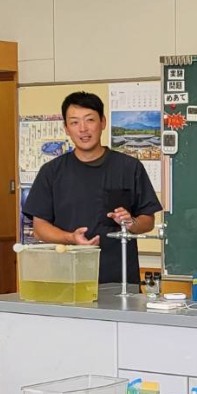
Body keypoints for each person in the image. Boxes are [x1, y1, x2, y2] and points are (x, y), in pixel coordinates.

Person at [23, 91, 162, 284]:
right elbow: (40, 228)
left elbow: (148, 220)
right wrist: (71, 238)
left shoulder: (129, 167)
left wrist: (131, 223)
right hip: (67, 279)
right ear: (66, 128)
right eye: (74, 122)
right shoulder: (51, 172)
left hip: (119, 280)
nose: (83, 129)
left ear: (103, 122)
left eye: (90, 120)